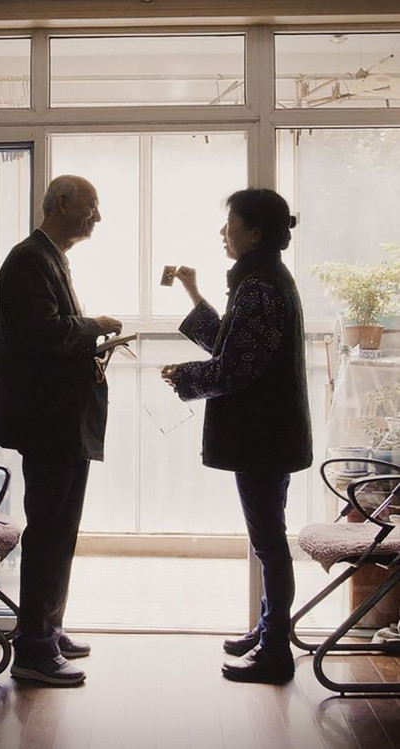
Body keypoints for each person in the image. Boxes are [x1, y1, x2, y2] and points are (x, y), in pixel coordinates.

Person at [161, 188, 312, 685]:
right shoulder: (262, 280)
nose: (223, 233)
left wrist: (184, 375)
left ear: (255, 234)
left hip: (263, 436)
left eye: (230, 225)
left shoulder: (260, 286)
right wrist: (193, 292)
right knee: (268, 538)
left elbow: (236, 367)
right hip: (271, 435)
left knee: (269, 543)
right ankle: (268, 631)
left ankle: (275, 650)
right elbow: (231, 344)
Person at [0, 175, 122, 686]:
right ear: (62, 202)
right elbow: (44, 333)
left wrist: (90, 335)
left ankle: (47, 626)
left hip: (63, 421)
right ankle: (34, 648)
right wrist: (95, 326)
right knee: (48, 530)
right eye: (92, 205)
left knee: (62, 529)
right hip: (48, 423)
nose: (97, 217)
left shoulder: (50, 257)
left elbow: (52, 333)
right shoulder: (29, 259)